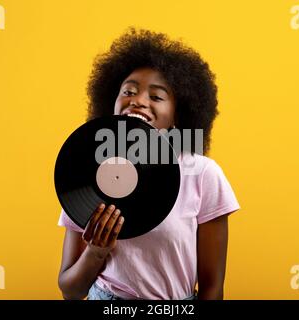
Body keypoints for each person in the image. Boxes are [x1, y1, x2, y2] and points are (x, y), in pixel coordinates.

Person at [57, 27, 241, 300]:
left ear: (176, 116)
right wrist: (96, 252)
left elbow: (213, 289)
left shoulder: (202, 174)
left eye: (156, 96)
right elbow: (71, 291)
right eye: (128, 91)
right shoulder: (84, 171)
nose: (138, 101)